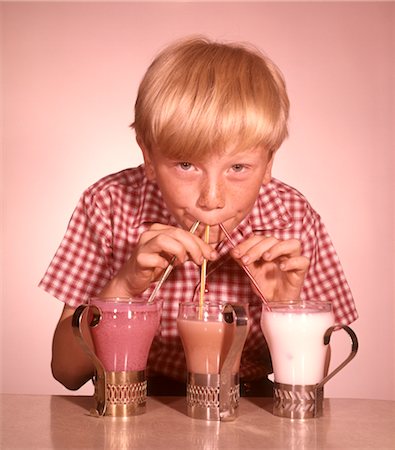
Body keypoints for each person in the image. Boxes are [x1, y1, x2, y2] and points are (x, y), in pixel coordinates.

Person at [39, 36, 358, 396]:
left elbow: (308, 381)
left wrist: (285, 308)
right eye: (186, 165)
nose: (212, 198)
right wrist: (124, 288)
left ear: (269, 162)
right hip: (136, 400)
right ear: (148, 155)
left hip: (253, 403)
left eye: (238, 167)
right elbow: (66, 370)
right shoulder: (109, 204)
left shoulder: (293, 217)